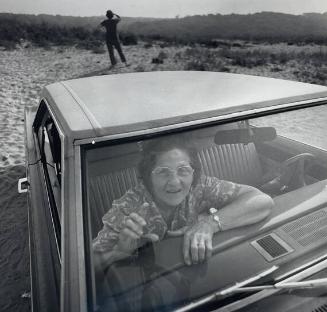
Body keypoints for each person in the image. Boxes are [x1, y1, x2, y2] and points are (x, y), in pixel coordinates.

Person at [93, 135, 274, 271]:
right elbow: (88, 266)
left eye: (183, 170)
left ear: (194, 172)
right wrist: (119, 252)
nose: (174, 181)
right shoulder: (129, 208)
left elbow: (261, 200)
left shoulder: (200, 185)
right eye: (163, 172)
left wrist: (209, 224)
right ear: (147, 176)